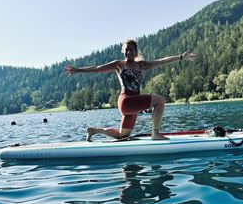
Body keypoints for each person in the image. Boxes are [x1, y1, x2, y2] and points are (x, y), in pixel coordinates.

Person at [65, 39, 197, 141]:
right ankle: (155, 133)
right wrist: (77, 70)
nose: (129, 52)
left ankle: (93, 131)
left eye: (131, 50)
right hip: (126, 101)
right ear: (124, 51)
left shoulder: (142, 65)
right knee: (160, 100)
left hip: (134, 104)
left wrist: (180, 57)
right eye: (126, 50)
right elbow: (97, 68)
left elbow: (161, 61)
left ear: (136, 52)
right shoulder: (119, 64)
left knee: (122, 135)